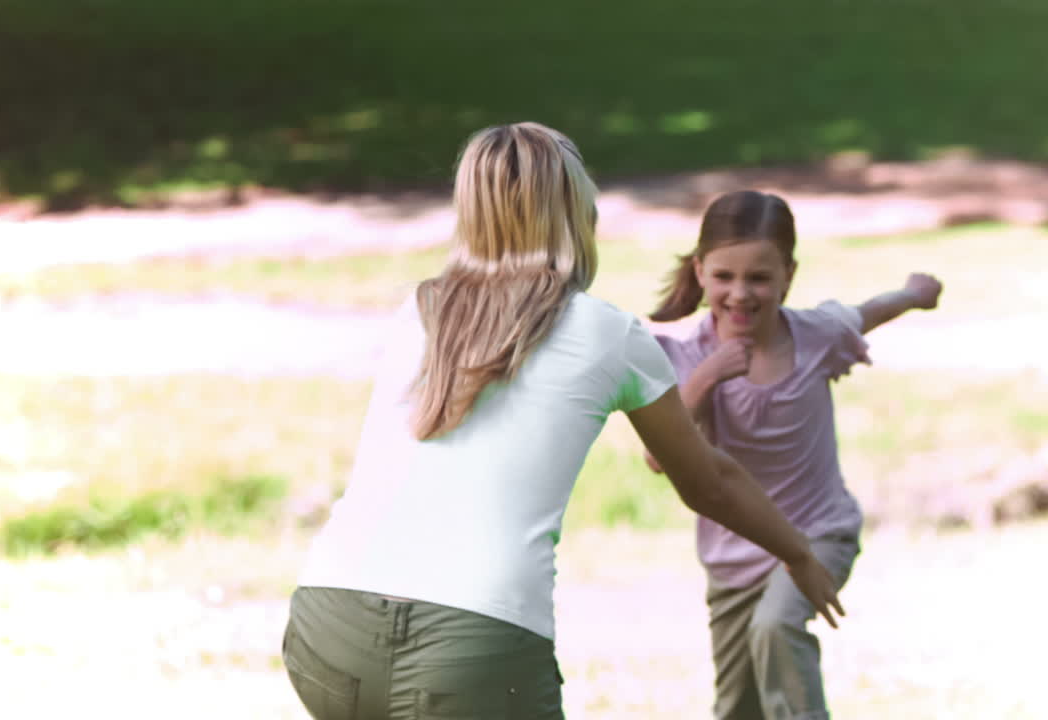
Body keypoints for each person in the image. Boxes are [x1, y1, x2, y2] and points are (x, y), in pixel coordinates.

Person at [281, 125, 844, 720]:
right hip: (475, 642)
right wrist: (800, 554)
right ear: (578, 213)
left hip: (328, 625)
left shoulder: (419, 311)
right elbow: (709, 482)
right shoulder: (607, 333)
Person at [646, 190, 943, 720]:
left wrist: (913, 293)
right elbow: (659, 459)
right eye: (724, 277)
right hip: (733, 560)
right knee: (738, 708)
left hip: (817, 532)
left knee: (777, 625)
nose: (740, 294)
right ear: (700, 272)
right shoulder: (686, 354)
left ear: (788, 275)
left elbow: (868, 312)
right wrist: (706, 378)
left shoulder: (816, 336)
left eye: (759, 278)